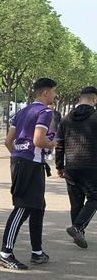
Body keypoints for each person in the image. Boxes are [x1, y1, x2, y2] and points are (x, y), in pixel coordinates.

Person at [0, 78, 57, 270]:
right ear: (46, 92)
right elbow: (39, 140)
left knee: (38, 206)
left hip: (21, 160)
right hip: (31, 163)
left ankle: (37, 251)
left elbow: (8, 141)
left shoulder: (22, 112)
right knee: (23, 207)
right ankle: (5, 253)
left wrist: (19, 155)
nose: (55, 96)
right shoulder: (46, 112)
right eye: (54, 92)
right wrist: (53, 144)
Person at [55, 86, 97, 249]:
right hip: (92, 166)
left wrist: (60, 166)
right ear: (94, 99)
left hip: (71, 166)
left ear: (80, 98)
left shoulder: (66, 119)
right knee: (94, 198)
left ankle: (77, 234)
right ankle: (78, 227)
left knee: (76, 202)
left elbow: (59, 144)